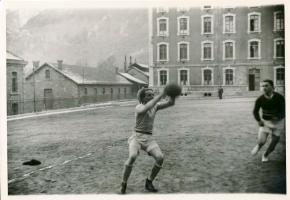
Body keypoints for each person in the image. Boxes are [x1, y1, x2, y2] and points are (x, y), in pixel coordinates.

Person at [120, 87, 175, 194]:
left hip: (149, 138)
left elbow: (170, 103)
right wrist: (160, 95)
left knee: (160, 158)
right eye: (148, 95)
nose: (151, 96)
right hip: (136, 137)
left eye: (152, 94)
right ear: (142, 98)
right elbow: (146, 108)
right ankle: (124, 182)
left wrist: (173, 94)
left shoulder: (155, 106)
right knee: (132, 156)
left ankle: (149, 181)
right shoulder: (139, 107)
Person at [251, 79, 285, 162]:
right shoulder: (260, 99)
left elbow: (285, 110)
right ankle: (259, 146)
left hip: (278, 122)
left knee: (274, 142)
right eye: (263, 86)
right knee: (262, 141)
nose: (264, 87)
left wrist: (278, 117)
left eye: (266, 85)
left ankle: (265, 155)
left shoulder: (280, 98)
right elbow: (255, 111)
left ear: (272, 87)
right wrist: (259, 120)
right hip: (266, 122)